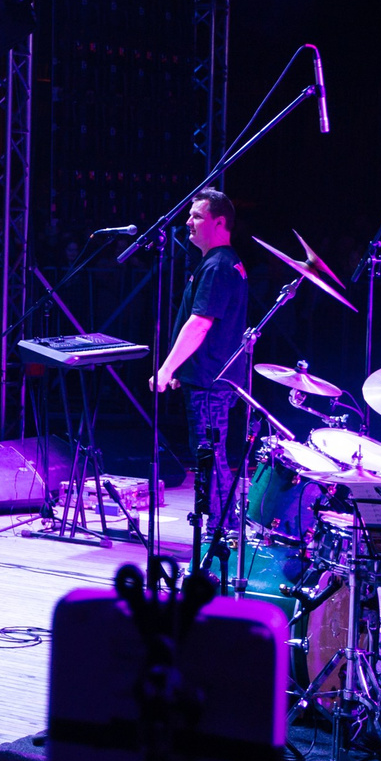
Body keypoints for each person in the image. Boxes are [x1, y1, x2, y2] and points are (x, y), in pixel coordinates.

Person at [149, 188, 248, 546]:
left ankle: (223, 530)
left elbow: (200, 323)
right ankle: (222, 526)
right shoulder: (216, 263)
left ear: (220, 223)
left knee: (210, 456)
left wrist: (166, 369)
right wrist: (180, 372)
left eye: (197, 217)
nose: (188, 223)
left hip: (211, 381)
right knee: (209, 454)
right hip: (205, 377)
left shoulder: (219, 266)